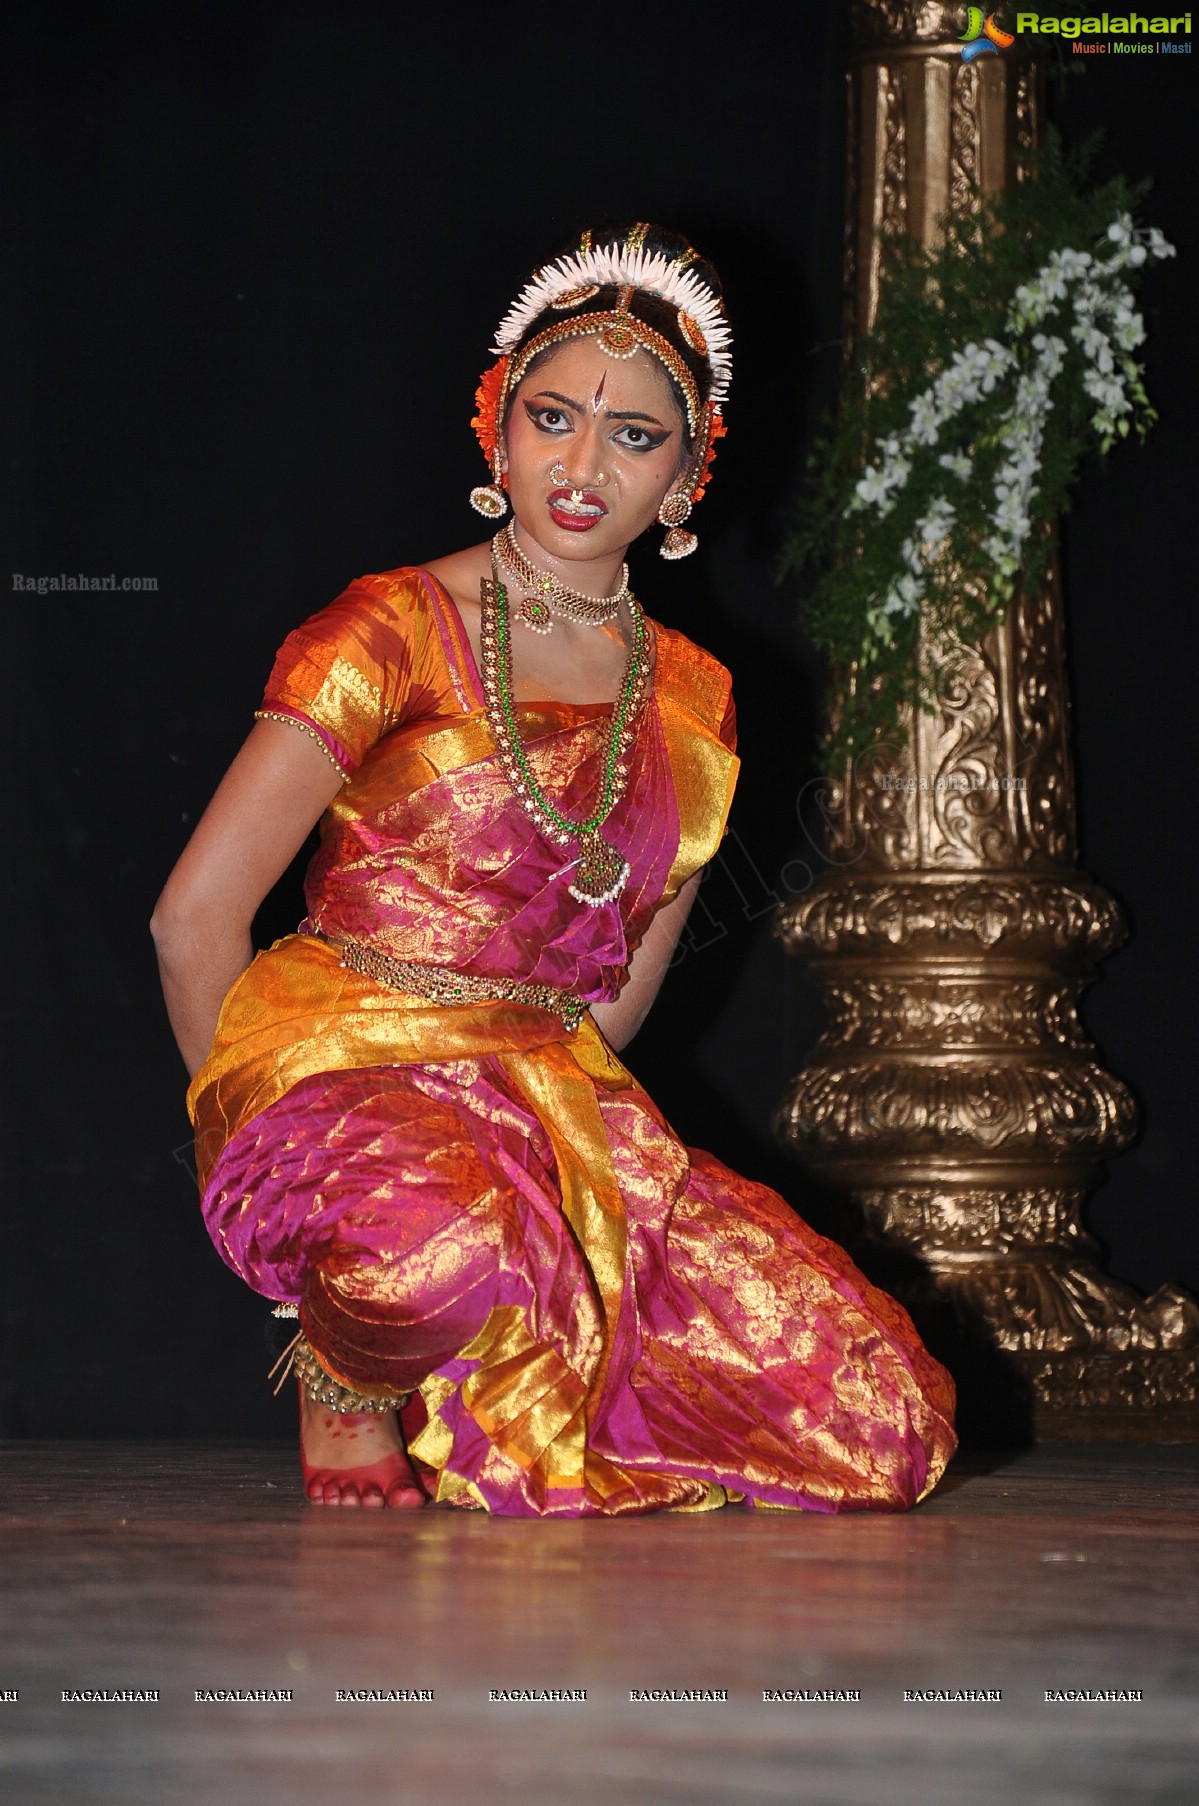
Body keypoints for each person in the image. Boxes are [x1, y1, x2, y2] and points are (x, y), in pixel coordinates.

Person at [152, 221, 957, 1515]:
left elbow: (620, 1000)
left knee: (880, 1416)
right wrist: (263, 1147)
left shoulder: (696, 697)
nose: (583, 464)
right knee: (443, 1249)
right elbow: (194, 916)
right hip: (336, 1070)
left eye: (635, 435)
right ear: (497, 427)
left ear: (687, 478)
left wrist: (568, 1179)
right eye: (552, 416)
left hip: (549, 1092)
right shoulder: (390, 627)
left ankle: (494, 1317)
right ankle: (353, 1362)